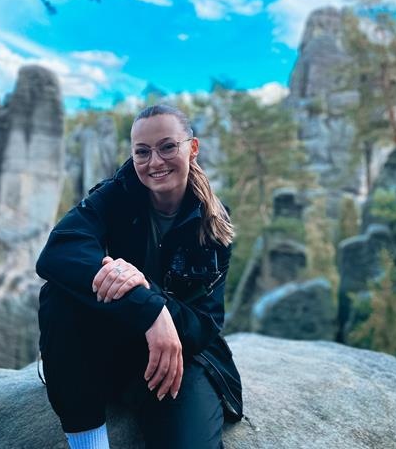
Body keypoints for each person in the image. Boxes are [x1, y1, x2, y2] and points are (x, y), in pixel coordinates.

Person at [35, 104, 243, 449]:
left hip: (180, 356)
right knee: (58, 295)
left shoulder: (212, 224)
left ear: (192, 148)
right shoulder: (116, 195)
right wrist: (148, 309)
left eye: (167, 147)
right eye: (142, 152)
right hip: (112, 341)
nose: (155, 162)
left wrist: (154, 301)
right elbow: (58, 252)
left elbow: (204, 325)